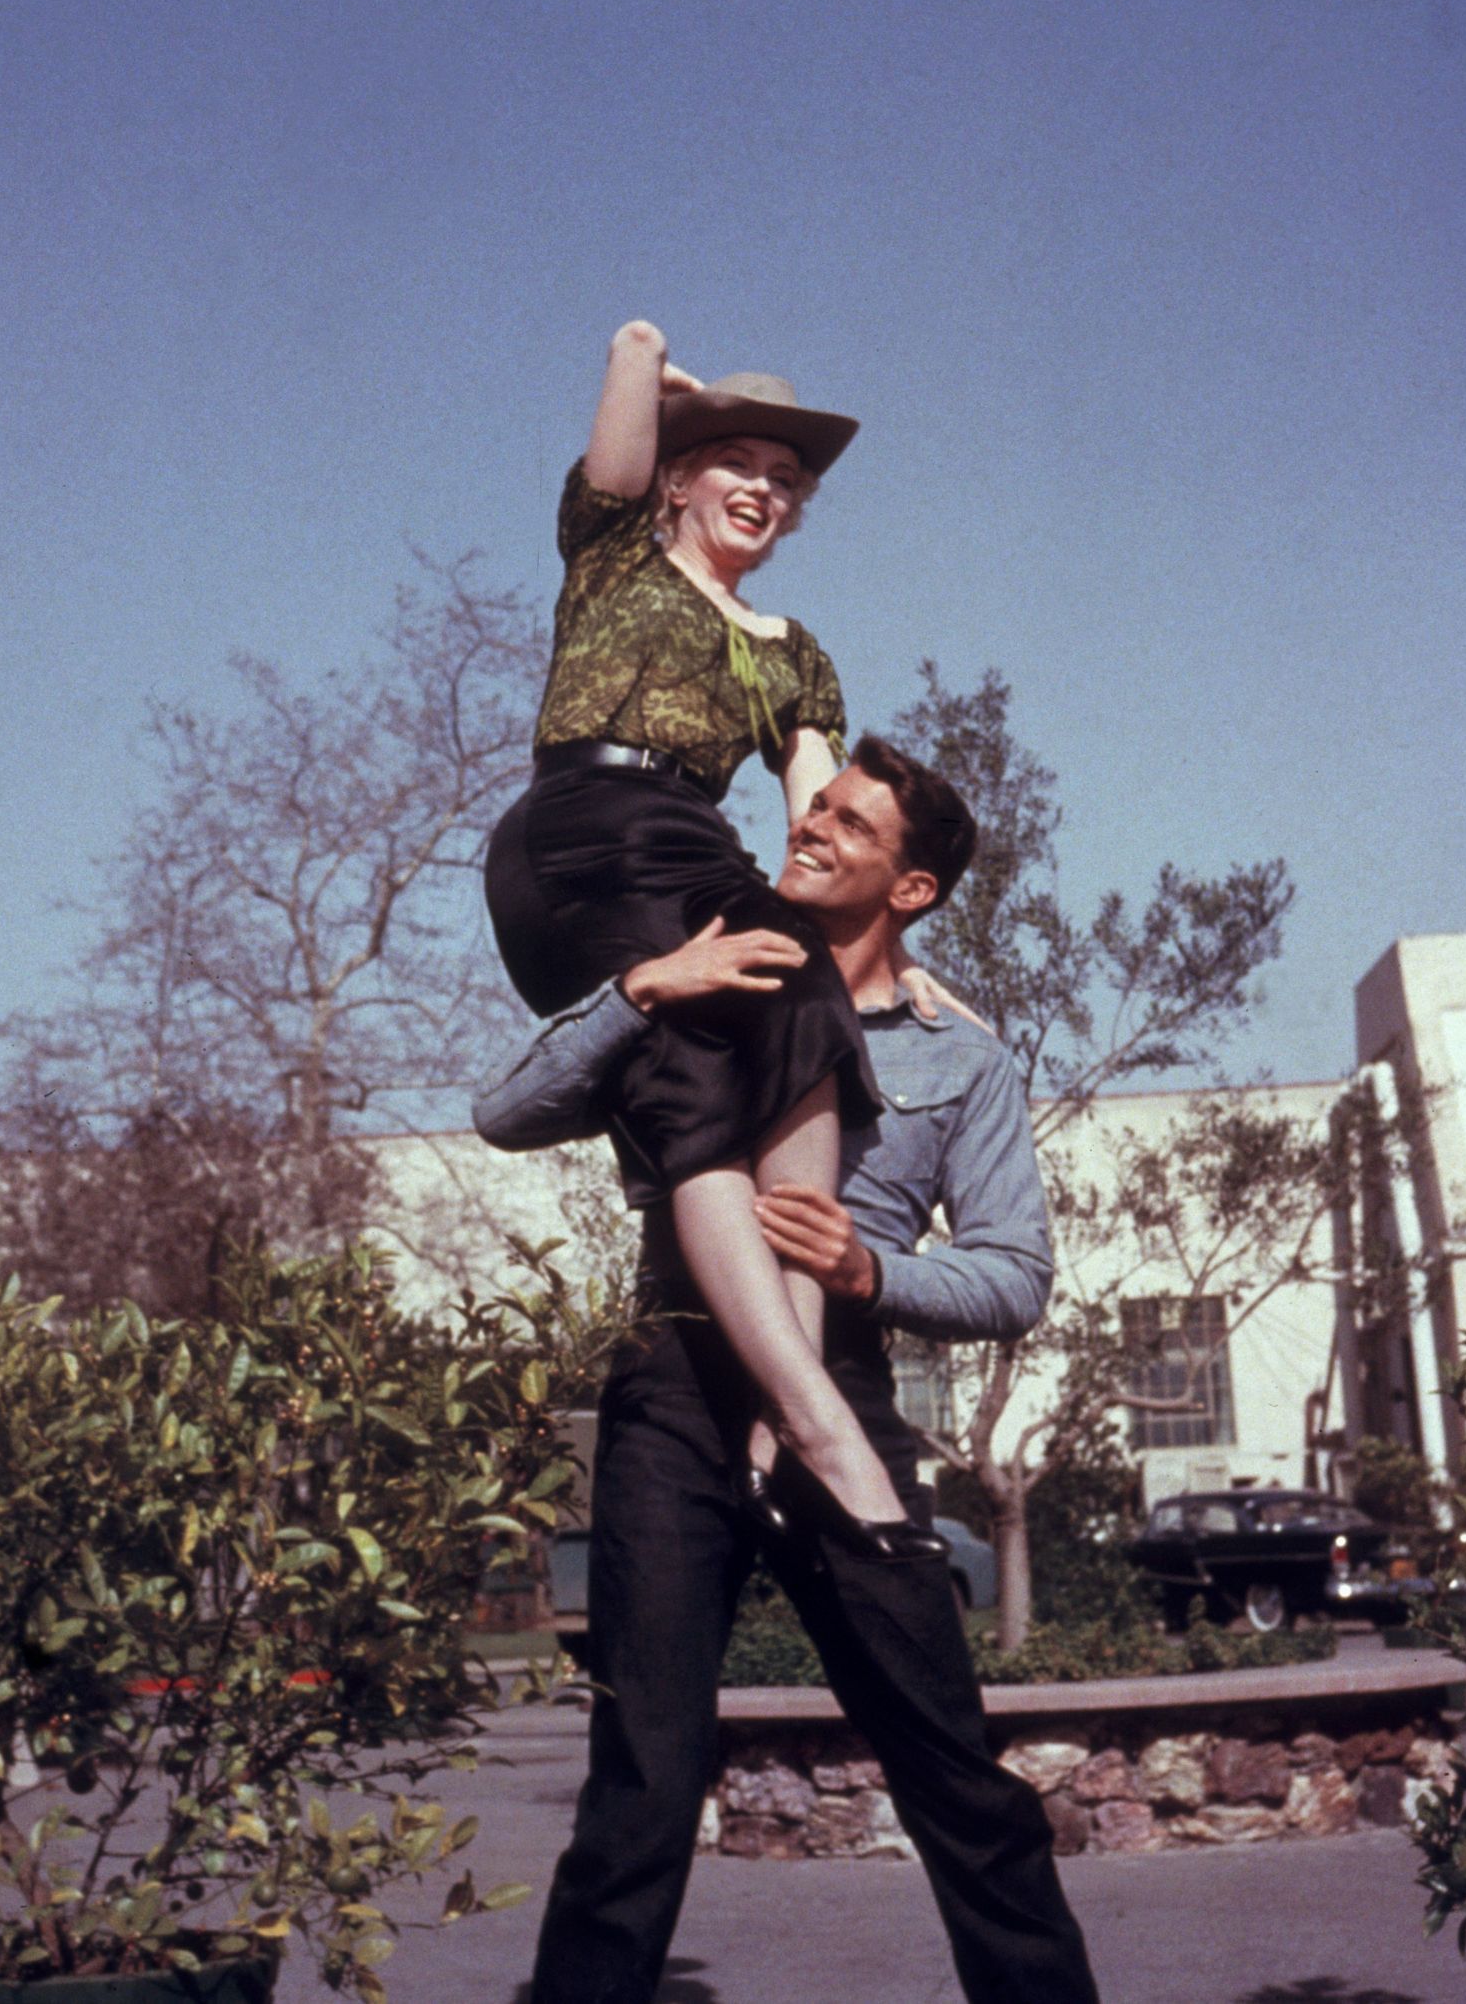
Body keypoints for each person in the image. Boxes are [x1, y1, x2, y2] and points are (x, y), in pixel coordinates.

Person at [474, 739, 1101, 2004]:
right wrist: (646, 984)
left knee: (952, 1771)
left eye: (849, 826)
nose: (808, 828)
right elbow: (507, 1109)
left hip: (847, 1407)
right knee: (641, 1784)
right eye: (814, 805)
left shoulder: (959, 1056)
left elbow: (1016, 1273)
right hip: (673, 1388)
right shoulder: (713, 970)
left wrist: (875, 1274)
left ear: (910, 888)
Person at [484, 319, 934, 1556]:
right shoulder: (615, 553)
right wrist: (663, 382)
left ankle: (785, 1419)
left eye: (786, 482)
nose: (766, 492)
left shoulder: (797, 656)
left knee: (808, 1006)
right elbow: (627, 367)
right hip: (581, 830)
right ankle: (812, 1412)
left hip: (690, 848)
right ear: (682, 478)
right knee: (693, 1048)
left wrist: (891, 956)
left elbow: (825, 825)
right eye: (739, 464)